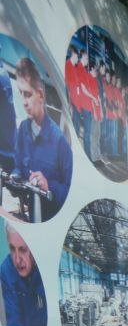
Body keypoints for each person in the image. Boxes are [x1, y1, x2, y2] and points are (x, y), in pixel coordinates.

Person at [12, 57, 73, 218]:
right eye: (20, 93)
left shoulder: (60, 142)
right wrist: (15, 177)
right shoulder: (22, 129)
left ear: (40, 94)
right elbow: (18, 166)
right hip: (32, 216)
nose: (24, 102)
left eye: (27, 94)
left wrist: (49, 186)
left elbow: (70, 192)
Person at [1, 223, 48, 326]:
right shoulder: (6, 271)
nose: (17, 259)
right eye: (12, 249)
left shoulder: (45, 265)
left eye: (22, 249)